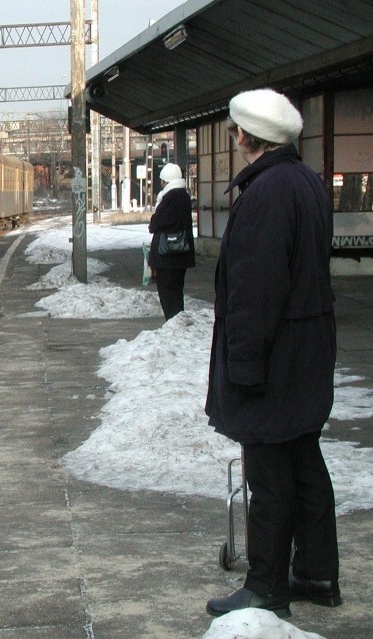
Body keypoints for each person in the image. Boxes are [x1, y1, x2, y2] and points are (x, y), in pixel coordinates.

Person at [205, 88, 339, 619]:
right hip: (309, 353)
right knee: (305, 464)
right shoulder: (306, 182)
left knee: (269, 476)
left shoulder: (264, 194)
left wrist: (244, 368)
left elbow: (256, 294)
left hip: (276, 358)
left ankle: (266, 585)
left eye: (235, 131)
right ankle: (317, 572)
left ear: (244, 136)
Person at [147, 162, 195, 320]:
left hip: (168, 255)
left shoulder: (171, 197)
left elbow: (156, 224)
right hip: (180, 254)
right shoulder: (183, 196)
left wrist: (154, 218)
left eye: (161, 180)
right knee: (176, 291)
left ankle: (173, 323)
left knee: (167, 292)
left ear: (165, 181)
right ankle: (177, 322)